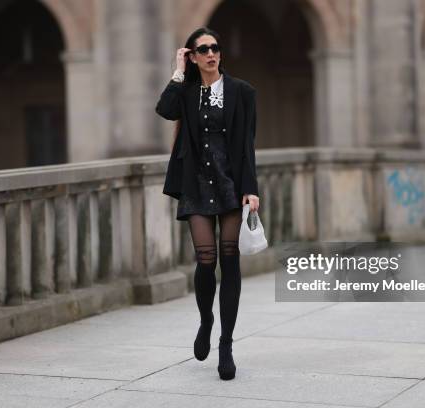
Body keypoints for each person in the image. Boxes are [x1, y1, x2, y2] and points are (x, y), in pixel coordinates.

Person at [155, 27, 260, 381]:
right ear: (194, 56)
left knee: (229, 261)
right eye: (203, 49)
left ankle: (226, 344)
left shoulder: (242, 92)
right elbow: (164, 110)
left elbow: (247, 145)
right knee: (206, 261)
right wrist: (177, 70)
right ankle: (206, 321)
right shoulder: (185, 92)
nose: (211, 54)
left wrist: (251, 188)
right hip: (197, 185)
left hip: (231, 185)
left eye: (215, 47)